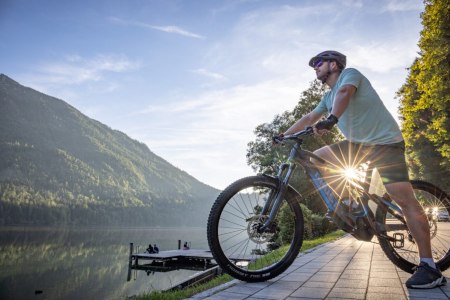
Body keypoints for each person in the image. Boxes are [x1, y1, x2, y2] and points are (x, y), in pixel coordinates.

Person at [282, 50, 446, 289]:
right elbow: (309, 117)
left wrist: (332, 118)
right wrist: (283, 135)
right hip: (358, 146)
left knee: (403, 198)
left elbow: (345, 94)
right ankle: (348, 204)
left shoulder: (350, 75)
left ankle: (430, 267)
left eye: (318, 63)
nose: (315, 67)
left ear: (334, 64)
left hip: (385, 143)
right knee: (316, 159)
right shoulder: (328, 97)